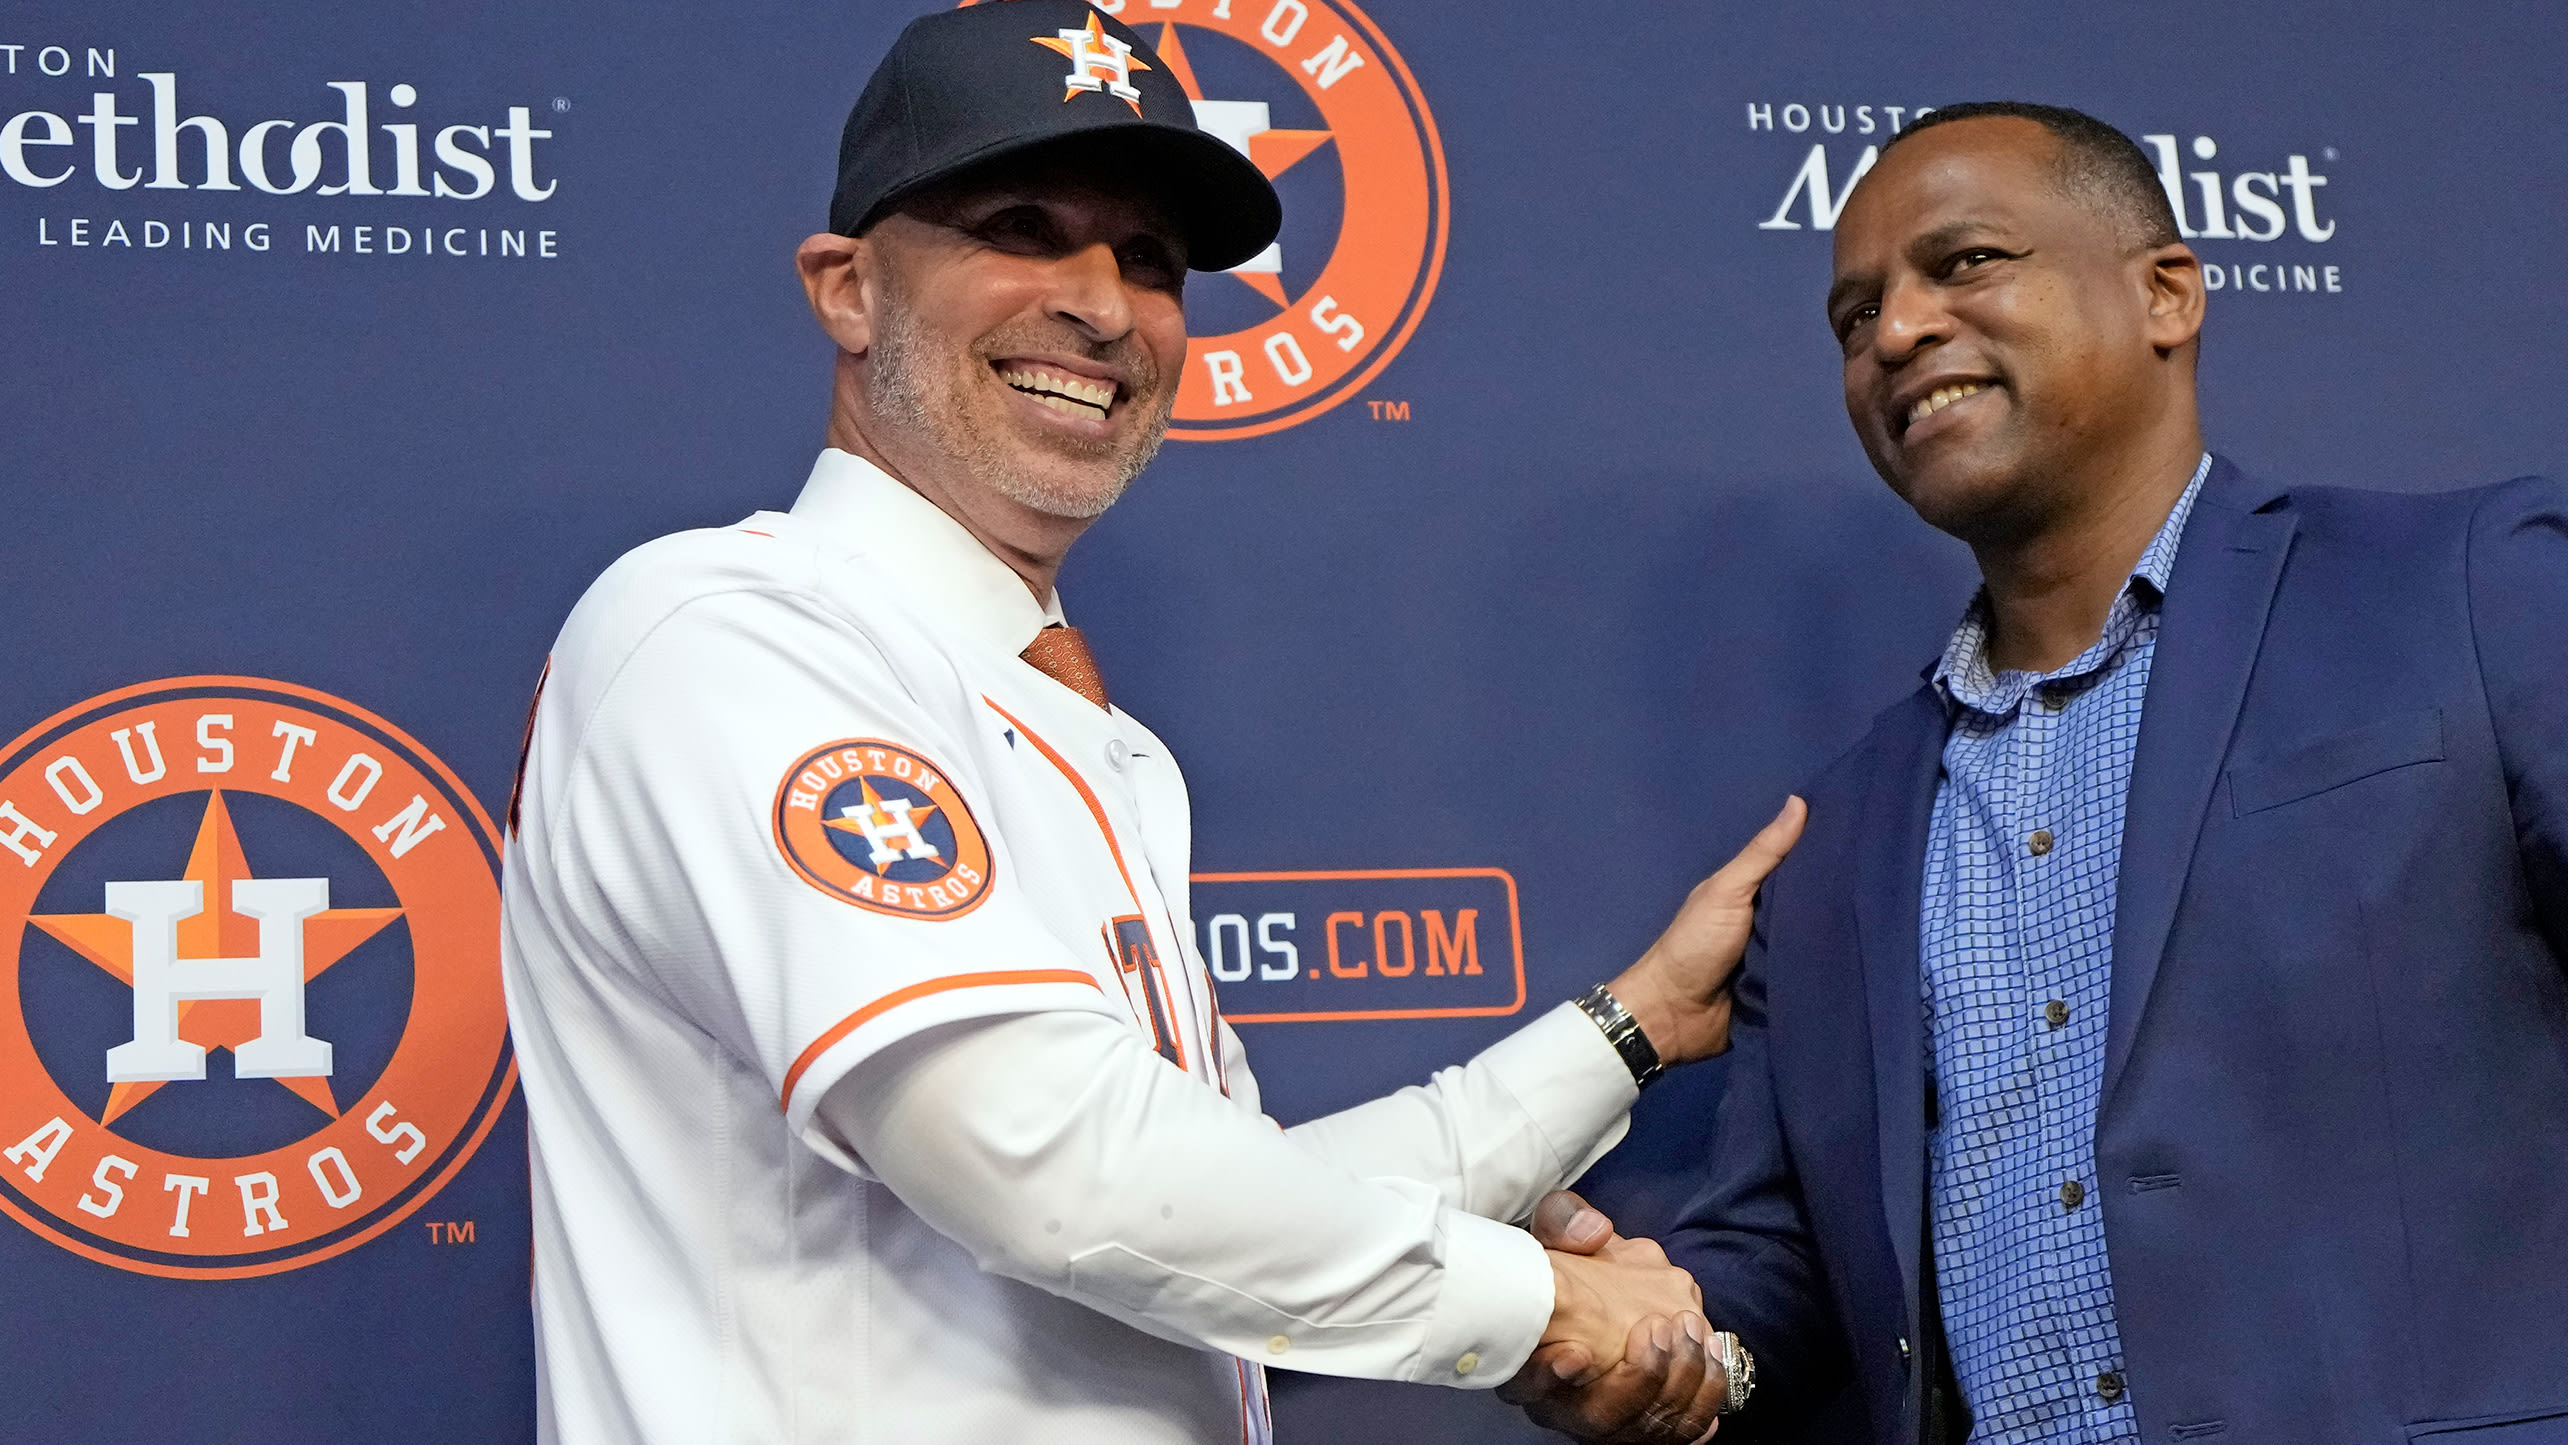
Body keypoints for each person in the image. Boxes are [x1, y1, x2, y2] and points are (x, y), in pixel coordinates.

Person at [498, 5, 1804, 1441]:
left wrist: (1624, 1029)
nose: (1104, 307)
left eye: (1151, 261)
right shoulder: (729, 628)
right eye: (1020, 223)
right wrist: (1537, 1305)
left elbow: (1207, 1206)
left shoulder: (1093, 735)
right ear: (848, 288)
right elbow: (1041, 1154)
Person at [1504, 101, 2568, 1443]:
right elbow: (1791, 1269)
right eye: (1854, 316)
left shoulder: (2468, 593)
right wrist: (1667, 1340)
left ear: (2166, 294)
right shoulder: (1839, 835)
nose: (1895, 332)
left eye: (1966, 264)